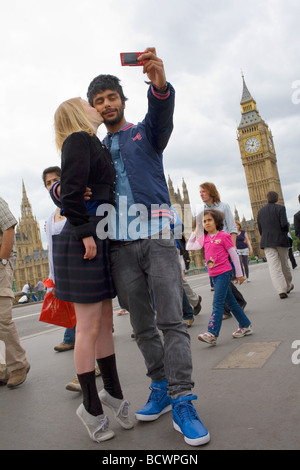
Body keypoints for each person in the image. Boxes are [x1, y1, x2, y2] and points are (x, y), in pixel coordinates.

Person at [86, 47, 210, 446]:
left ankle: (182, 399)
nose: (106, 104)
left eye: (111, 97)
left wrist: (158, 82)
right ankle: (159, 385)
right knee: (141, 327)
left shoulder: (145, 133)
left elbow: (162, 114)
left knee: (171, 320)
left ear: (122, 100)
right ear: (94, 109)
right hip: (119, 246)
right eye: (98, 101)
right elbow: (74, 186)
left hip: (156, 238)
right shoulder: (96, 150)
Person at [53, 97, 133, 443]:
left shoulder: (92, 143)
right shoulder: (78, 140)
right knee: (86, 327)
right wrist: (86, 233)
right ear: (76, 114)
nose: (95, 106)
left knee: (104, 323)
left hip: (98, 234)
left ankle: (112, 393)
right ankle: (90, 406)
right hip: (85, 237)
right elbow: (69, 192)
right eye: (88, 103)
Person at [187, 210, 253, 346]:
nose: (206, 223)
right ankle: (245, 325)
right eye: (204, 221)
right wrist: (196, 230)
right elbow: (189, 246)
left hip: (224, 273)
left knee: (217, 303)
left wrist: (240, 274)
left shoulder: (223, 236)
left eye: (209, 220)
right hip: (213, 275)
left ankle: (212, 332)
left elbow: (234, 255)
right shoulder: (204, 238)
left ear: (217, 222)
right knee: (232, 302)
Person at [198, 183, 247, 317]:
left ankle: (225, 310)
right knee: (220, 278)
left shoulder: (224, 206)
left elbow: (231, 227)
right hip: (213, 248)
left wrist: (233, 246)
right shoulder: (202, 209)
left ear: (211, 192)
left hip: (225, 245)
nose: (201, 194)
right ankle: (239, 301)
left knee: (222, 278)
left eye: (203, 191)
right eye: (200, 192)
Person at [42, 166, 75, 353]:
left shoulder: (76, 205)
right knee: (70, 309)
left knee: (84, 314)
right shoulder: (50, 218)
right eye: (48, 183)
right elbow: (51, 251)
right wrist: (52, 279)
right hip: (63, 272)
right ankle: (70, 338)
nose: (52, 185)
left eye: (56, 180)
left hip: (80, 268)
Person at [0, 197, 30, 388]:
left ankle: (18, 365)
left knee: (2, 318)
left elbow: (9, 227)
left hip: (1, 266)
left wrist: (3, 261)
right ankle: (3, 370)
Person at [257, 191, 293, 299]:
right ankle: (287, 285)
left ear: (267, 199)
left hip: (267, 242)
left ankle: (281, 290)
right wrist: (286, 228)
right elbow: (284, 225)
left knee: (274, 267)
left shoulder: (260, 211)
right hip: (280, 240)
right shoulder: (280, 208)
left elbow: (260, 228)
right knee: (284, 264)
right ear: (277, 199)